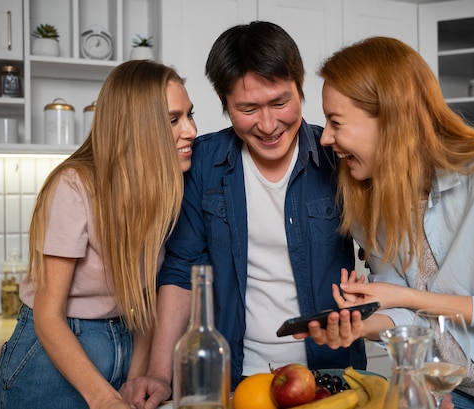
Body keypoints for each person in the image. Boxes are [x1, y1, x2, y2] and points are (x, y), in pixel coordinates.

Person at [299, 36, 474, 409]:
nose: (325, 137)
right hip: (452, 392)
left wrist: (403, 296)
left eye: (335, 121)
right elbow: (408, 317)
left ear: (390, 118)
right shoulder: (371, 198)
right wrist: (362, 324)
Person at [121, 21, 366, 409]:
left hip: (332, 377)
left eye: (280, 103)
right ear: (223, 101)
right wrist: (159, 373)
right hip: (237, 381)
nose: (268, 126)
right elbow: (182, 271)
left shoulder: (338, 157)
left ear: (301, 86)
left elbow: (387, 257)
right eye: (248, 108)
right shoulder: (201, 164)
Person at [0, 60, 197, 409]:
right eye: (174, 120)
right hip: (55, 355)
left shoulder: (164, 190)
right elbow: (47, 315)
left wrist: (135, 376)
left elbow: (143, 301)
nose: (190, 130)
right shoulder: (74, 185)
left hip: (122, 344)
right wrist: (102, 397)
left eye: (190, 115)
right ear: (136, 126)